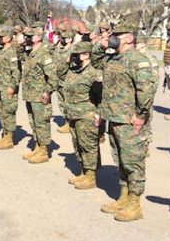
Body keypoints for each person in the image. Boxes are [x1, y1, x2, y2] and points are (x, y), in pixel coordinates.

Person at [91, 21, 157, 222]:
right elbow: (95, 61)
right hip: (114, 117)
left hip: (130, 120)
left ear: (129, 38)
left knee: (133, 161)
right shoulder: (113, 58)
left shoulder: (138, 59)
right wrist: (100, 45)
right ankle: (123, 197)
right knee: (120, 159)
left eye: (117, 34)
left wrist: (141, 115)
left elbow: (146, 89)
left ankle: (135, 203)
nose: (112, 37)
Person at [63, 41, 103, 188]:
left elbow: (100, 97)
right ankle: (83, 172)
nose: (74, 57)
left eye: (77, 54)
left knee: (88, 146)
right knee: (78, 144)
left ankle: (91, 176)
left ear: (86, 55)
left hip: (87, 115)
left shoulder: (94, 73)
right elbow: (59, 73)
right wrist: (68, 61)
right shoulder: (74, 70)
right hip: (73, 113)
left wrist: (99, 115)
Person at [20, 27, 56, 164]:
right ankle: (38, 146)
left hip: (40, 96)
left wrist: (48, 92)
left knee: (41, 123)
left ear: (39, 37)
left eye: (30, 36)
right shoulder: (30, 52)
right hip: (30, 95)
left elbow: (52, 76)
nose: (27, 38)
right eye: (26, 36)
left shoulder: (44, 54)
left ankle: (44, 151)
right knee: (33, 122)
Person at [0, 25, 20, 150]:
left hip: (7, 87)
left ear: (8, 38)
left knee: (8, 113)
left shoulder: (12, 51)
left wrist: (12, 87)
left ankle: (9, 138)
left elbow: (16, 71)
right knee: (2, 112)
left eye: (2, 37)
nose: (0, 38)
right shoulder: (0, 50)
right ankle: (5, 135)